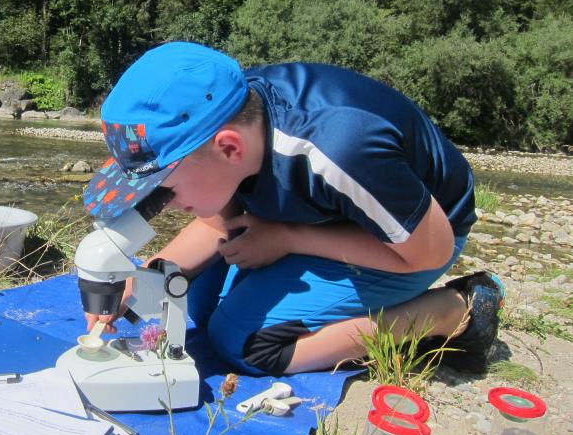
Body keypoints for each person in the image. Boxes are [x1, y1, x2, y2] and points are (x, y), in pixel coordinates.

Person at [82, 41, 503, 376]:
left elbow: (430, 251)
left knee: (243, 342)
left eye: (165, 188)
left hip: (413, 235)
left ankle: (452, 311)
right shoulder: (225, 121)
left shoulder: (337, 149)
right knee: (199, 303)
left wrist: (288, 239)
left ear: (230, 148)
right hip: (319, 213)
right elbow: (216, 219)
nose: (165, 203)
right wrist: (151, 278)